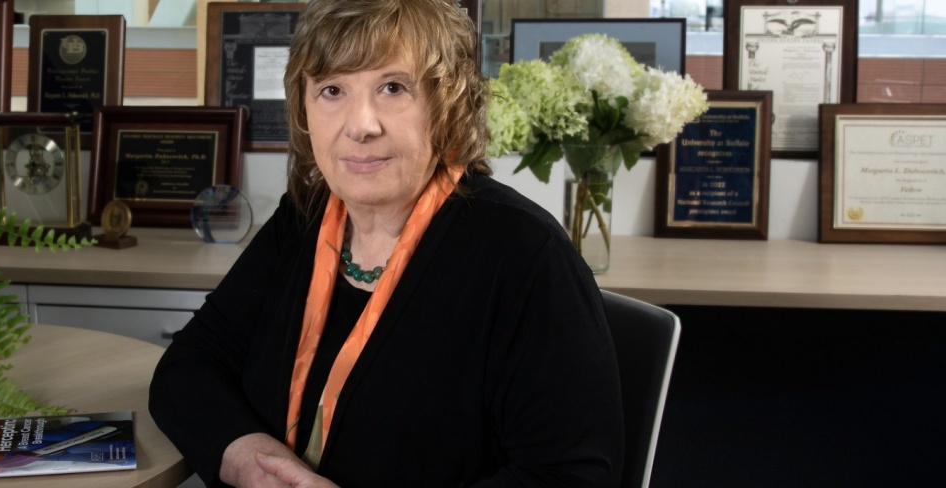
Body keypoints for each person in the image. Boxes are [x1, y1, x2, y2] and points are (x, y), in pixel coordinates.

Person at [148, 0, 623, 486]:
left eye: (392, 87)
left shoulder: (525, 255)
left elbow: (569, 475)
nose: (361, 125)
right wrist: (250, 459)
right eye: (332, 90)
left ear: (448, 102)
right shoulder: (304, 218)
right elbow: (189, 366)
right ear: (303, 107)